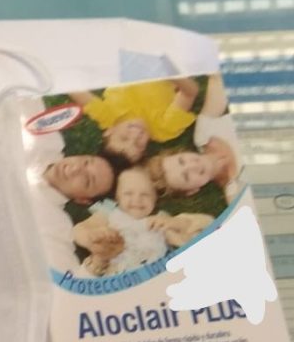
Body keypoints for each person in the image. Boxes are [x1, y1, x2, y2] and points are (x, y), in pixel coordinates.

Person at [78, 167, 214, 276]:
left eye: (145, 194)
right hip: (111, 275)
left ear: (155, 200)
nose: (137, 199)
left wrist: (174, 224)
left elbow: (193, 235)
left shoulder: (159, 221)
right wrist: (94, 236)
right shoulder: (110, 213)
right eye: (128, 193)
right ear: (117, 197)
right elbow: (80, 230)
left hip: (151, 281)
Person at [69, 78, 201, 164]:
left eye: (124, 138)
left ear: (109, 132)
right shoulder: (164, 129)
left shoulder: (108, 117)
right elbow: (190, 92)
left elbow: (75, 90)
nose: (136, 135)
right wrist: (171, 72)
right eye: (138, 144)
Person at [146, 137, 239, 200]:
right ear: (192, 191)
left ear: (182, 152)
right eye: (186, 176)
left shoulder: (204, 133)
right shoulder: (235, 193)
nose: (193, 166)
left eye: (182, 161)